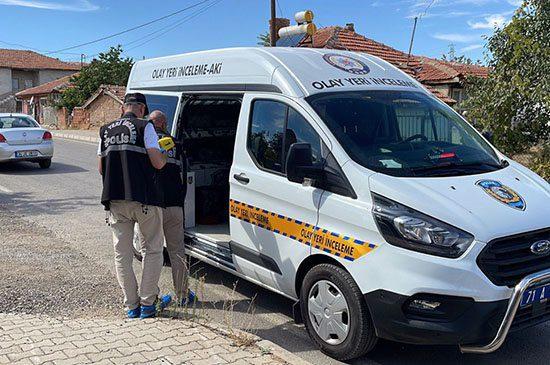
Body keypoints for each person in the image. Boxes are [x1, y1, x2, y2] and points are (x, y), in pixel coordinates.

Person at [98, 93, 171, 319]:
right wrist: (165, 153)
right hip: (145, 199)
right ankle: (148, 303)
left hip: (116, 201)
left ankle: (131, 306)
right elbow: (157, 163)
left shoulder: (105, 130)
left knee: (122, 255)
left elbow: (101, 168)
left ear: (123, 108)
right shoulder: (145, 127)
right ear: (142, 109)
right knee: (152, 249)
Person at [137, 110, 194, 305]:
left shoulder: (144, 143)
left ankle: (152, 296)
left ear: (151, 125)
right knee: (177, 251)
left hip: (152, 207)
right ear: (165, 123)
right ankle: (183, 295)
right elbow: (186, 174)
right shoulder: (176, 143)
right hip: (174, 205)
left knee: (150, 252)